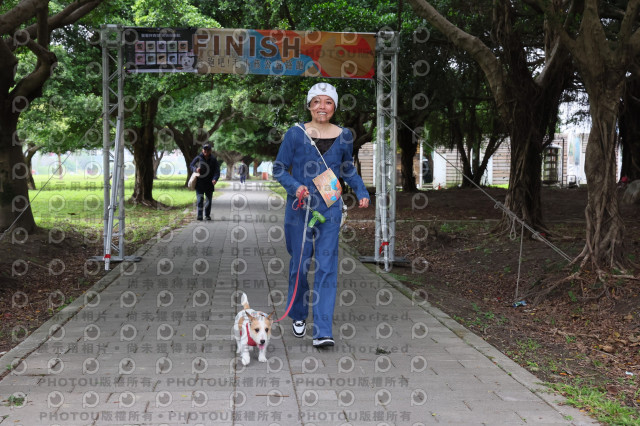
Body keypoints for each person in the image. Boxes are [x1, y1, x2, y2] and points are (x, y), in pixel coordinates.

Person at [273, 82, 370, 348]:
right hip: (300, 208)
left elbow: (347, 168)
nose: (322, 107)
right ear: (309, 106)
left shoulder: (344, 135)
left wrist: (361, 190)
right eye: (316, 101)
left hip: (330, 207)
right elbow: (279, 168)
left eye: (328, 102)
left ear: (335, 106)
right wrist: (295, 187)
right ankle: (298, 313)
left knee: (327, 267)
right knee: (300, 265)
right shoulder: (295, 134)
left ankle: (323, 331)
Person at [190, 143, 220, 221]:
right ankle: (199, 215)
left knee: (208, 200)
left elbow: (217, 171)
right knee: (200, 199)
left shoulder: (213, 159)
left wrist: (215, 179)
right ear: (202, 150)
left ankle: (207, 215)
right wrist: (195, 169)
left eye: (208, 150)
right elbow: (191, 165)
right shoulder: (198, 158)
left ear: (210, 151)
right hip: (199, 182)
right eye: (205, 149)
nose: (206, 151)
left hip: (210, 183)